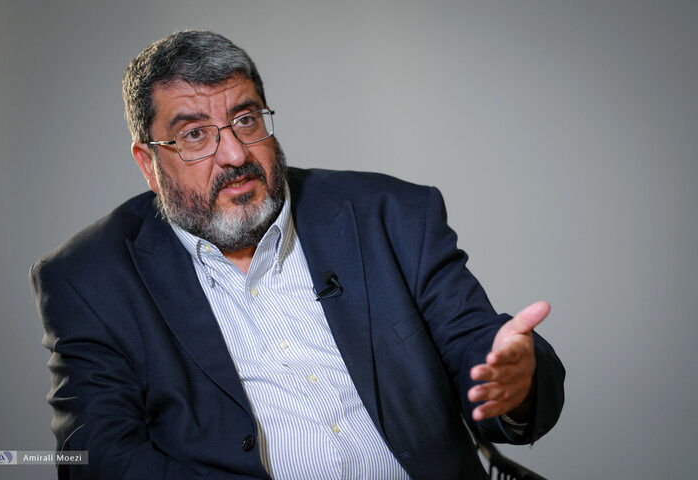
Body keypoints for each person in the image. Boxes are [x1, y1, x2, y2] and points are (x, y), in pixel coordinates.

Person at [30, 30, 565, 480]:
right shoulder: (88, 278)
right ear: (148, 163)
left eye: (246, 120)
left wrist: (516, 381)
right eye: (194, 135)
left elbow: (480, 347)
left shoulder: (390, 215)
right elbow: (98, 456)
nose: (234, 154)